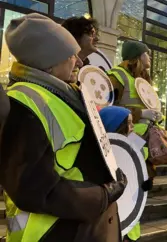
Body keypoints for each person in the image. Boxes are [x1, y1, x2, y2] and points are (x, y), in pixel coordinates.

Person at [0, 13, 127, 241]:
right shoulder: (21, 104)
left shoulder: (65, 92)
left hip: (85, 227)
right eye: (71, 55)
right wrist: (102, 196)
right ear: (49, 62)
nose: (79, 62)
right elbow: (33, 188)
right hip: (56, 232)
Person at [99, 106, 154, 242]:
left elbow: (144, 168)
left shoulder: (135, 142)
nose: (133, 127)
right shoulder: (99, 150)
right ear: (117, 125)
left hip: (130, 222)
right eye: (128, 123)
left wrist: (146, 181)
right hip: (109, 221)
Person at [107, 40, 159, 179]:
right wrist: (140, 113)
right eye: (147, 54)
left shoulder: (144, 78)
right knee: (129, 174)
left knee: (143, 175)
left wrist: (156, 115)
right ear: (138, 56)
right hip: (127, 136)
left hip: (143, 137)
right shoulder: (117, 75)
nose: (150, 57)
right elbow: (108, 108)